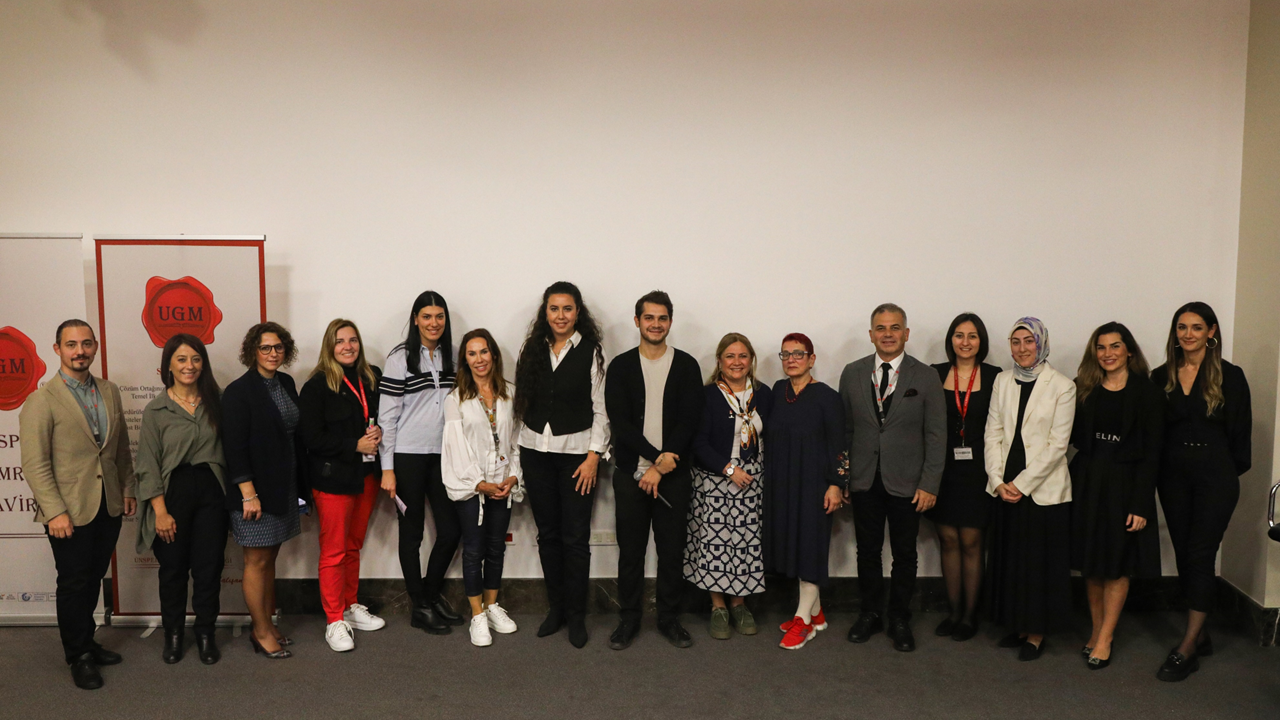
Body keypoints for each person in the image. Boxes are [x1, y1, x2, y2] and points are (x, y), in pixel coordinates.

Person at [19, 319, 136, 689]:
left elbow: (119, 447)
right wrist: (54, 511)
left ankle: (87, 641)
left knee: (92, 578)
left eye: (86, 343)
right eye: (71, 344)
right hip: (67, 511)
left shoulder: (109, 391)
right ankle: (78, 656)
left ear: (95, 346)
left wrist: (128, 487)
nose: (79, 351)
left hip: (107, 504)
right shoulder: (41, 400)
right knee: (73, 583)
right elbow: (35, 463)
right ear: (57, 349)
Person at [1151, 302, 1251, 682]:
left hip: (1215, 480)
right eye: (1182, 327)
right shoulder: (1160, 376)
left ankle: (1188, 645)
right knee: (1184, 553)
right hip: (1173, 480)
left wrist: (1216, 470)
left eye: (1196, 327)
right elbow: (1155, 434)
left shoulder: (1230, 376)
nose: (1188, 334)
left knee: (1200, 554)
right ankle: (1202, 633)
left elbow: (1240, 438)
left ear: (1211, 332)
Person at [838, 303, 946, 652]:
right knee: (867, 551)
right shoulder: (852, 373)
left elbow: (936, 435)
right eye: (881, 328)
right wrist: (843, 478)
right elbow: (845, 430)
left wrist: (929, 483)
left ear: (906, 333)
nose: (888, 334)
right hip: (864, 480)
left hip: (909, 482)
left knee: (905, 554)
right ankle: (870, 613)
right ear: (871, 334)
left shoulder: (926, 376)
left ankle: (899, 617)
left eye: (895, 327)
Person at [604, 291, 703, 650]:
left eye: (662, 318)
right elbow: (621, 423)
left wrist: (662, 466)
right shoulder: (621, 366)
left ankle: (668, 619)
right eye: (649, 318)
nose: (655, 324)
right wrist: (654, 460)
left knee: (671, 552)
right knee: (631, 553)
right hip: (631, 475)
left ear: (670, 322)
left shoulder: (687, 365)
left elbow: (690, 420)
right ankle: (629, 619)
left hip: (674, 477)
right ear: (637, 321)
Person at [514, 281, 610, 649]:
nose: (560, 315)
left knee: (575, 539)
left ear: (578, 312)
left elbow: (601, 410)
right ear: (545, 312)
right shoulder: (531, 349)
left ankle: (576, 615)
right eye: (554, 308)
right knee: (548, 536)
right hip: (535, 453)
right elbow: (522, 405)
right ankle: (556, 609)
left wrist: (593, 457)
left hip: (576, 458)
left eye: (567, 308)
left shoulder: (592, 352)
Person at [1069, 322, 1163, 670]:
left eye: (1115, 346)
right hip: (1088, 480)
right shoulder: (1084, 388)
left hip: (1126, 484)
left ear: (1129, 351)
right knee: (1092, 563)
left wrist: (1141, 504)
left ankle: (1106, 637)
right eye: (1101, 347)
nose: (1107, 353)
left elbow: (1153, 454)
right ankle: (1096, 630)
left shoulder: (1149, 393)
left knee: (1118, 564)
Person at [985, 317, 1076, 661]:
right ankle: (1017, 624)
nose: (1022, 348)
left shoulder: (1062, 386)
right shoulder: (1002, 381)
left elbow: (1057, 446)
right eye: (1016, 341)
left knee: (1038, 564)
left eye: (1029, 341)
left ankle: (1036, 632)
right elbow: (992, 432)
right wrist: (997, 480)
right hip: (1005, 484)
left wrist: (1021, 484)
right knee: (1011, 560)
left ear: (1041, 343)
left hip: (1042, 488)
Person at [134, 334, 228, 665]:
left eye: (196, 359)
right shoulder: (156, 410)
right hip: (172, 494)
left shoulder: (218, 402)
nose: (190, 366)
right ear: (169, 366)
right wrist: (160, 512)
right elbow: (147, 465)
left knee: (208, 568)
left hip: (212, 492)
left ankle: (205, 634)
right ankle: (173, 635)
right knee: (173, 570)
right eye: (182, 359)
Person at [378, 291, 464, 635]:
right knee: (411, 534)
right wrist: (387, 468)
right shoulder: (399, 358)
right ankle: (420, 607)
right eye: (426, 316)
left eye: (439, 316)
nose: (433, 323)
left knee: (451, 530)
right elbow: (387, 417)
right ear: (415, 319)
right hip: (407, 457)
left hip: (444, 455)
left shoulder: (453, 355)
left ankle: (429, 596)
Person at [298, 319, 386, 653]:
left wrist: (378, 433)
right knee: (334, 551)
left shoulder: (371, 377)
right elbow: (311, 437)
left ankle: (350, 605)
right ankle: (334, 619)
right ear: (329, 347)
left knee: (353, 545)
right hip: (333, 480)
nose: (347, 346)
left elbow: (380, 416)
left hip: (366, 477)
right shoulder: (317, 386)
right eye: (340, 341)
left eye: (352, 340)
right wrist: (354, 445)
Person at [222, 321, 306, 660]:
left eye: (278, 347)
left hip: (282, 485)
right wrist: (248, 493)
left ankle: (268, 624)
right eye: (265, 348)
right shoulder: (239, 391)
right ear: (252, 352)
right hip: (253, 492)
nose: (273, 353)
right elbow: (234, 447)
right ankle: (259, 632)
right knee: (256, 560)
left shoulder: (286, 383)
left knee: (270, 558)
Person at [685, 333, 773, 640]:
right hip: (716, 478)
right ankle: (718, 606)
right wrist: (729, 469)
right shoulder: (707, 395)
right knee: (716, 543)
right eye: (730, 356)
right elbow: (698, 443)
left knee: (746, 543)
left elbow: (770, 436)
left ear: (751, 360)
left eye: (743, 356)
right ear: (720, 361)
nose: (737, 362)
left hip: (753, 479)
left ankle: (739, 604)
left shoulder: (763, 394)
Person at [442, 329, 523, 647]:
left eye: (484, 351)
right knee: (474, 550)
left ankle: (491, 606)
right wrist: (480, 484)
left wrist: (513, 477)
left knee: (496, 548)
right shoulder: (455, 400)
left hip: (502, 484)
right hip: (472, 488)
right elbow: (455, 448)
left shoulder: (510, 394)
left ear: (494, 355)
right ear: (465, 359)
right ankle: (476, 614)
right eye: (472, 353)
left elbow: (517, 440)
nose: (479, 359)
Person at [764, 333, 845, 650]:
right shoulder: (777, 391)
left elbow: (840, 445)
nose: (791, 359)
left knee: (810, 548)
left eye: (798, 353)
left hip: (815, 487)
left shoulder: (827, 397)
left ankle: (803, 622)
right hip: (782, 485)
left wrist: (836, 484)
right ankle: (816, 612)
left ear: (812, 359)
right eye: (785, 354)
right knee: (794, 548)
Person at [927, 313, 1001, 641]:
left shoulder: (996, 376)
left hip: (979, 471)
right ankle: (953, 612)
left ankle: (970, 616)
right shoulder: (934, 374)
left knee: (971, 541)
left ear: (981, 341)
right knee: (947, 540)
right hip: (942, 470)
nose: (965, 342)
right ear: (951, 340)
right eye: (959, 335)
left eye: (972, 336)